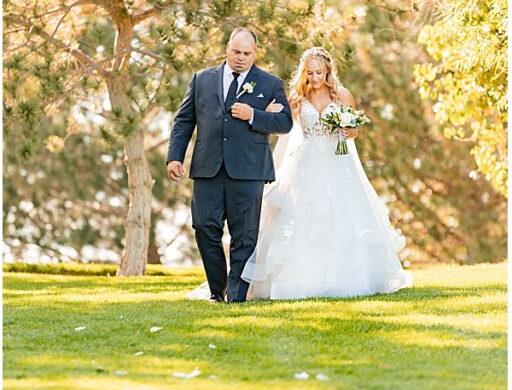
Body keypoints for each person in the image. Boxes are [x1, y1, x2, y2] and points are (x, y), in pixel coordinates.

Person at [241, 47, 413, 299]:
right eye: (309, 73)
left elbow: (354, 130)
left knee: (340, 217)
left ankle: (344, 278)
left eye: (319, 72)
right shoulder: (299, 98)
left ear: (328, 71)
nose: (314, 78)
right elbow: (280, 122)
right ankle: (296, 280)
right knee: (302, 218)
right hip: (306, 162)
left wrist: (348, 132)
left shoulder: (343, 96)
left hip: (338, 162)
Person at [166, 27, 294, 302]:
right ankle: (218, 288)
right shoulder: (202, 79)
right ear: (227, 48)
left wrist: (253, 115)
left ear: (255, 53)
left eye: (247, 53)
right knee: (204, 226)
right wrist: (175, 156)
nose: (241, 58)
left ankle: (236, 296)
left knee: (245, 235)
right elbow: (184, 120)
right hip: (207, 167)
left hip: (249, 171)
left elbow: (285, 123)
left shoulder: (270, 84)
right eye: (236, 52)